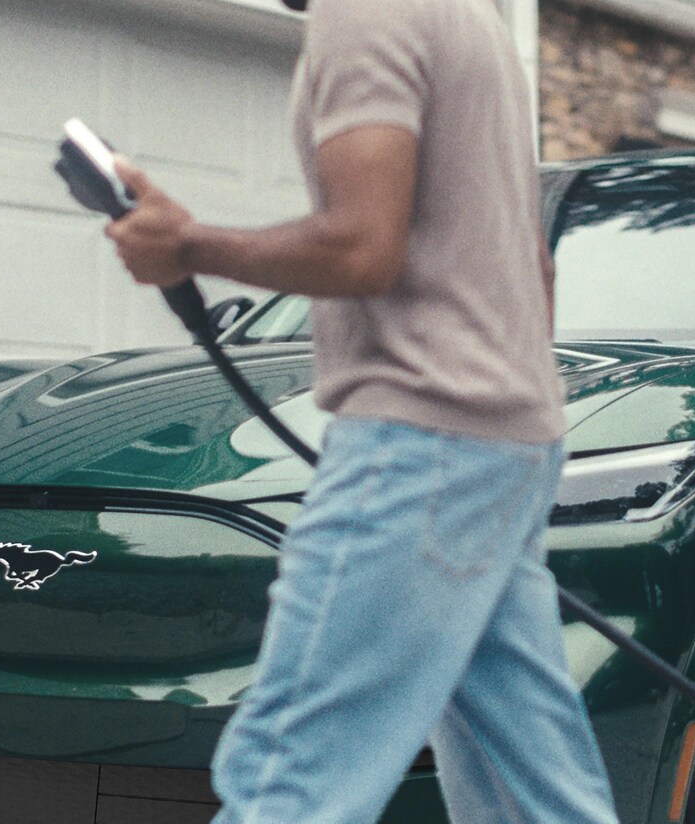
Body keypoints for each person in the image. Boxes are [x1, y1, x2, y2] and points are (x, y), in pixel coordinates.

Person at [102, 0, 620, 821]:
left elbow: (361, 248)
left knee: (292, 778)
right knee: (535, 790)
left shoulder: (366, 12)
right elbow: (533, 265)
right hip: (504, 436)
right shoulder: (469, 18)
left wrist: (188, 245)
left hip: (424, 439)